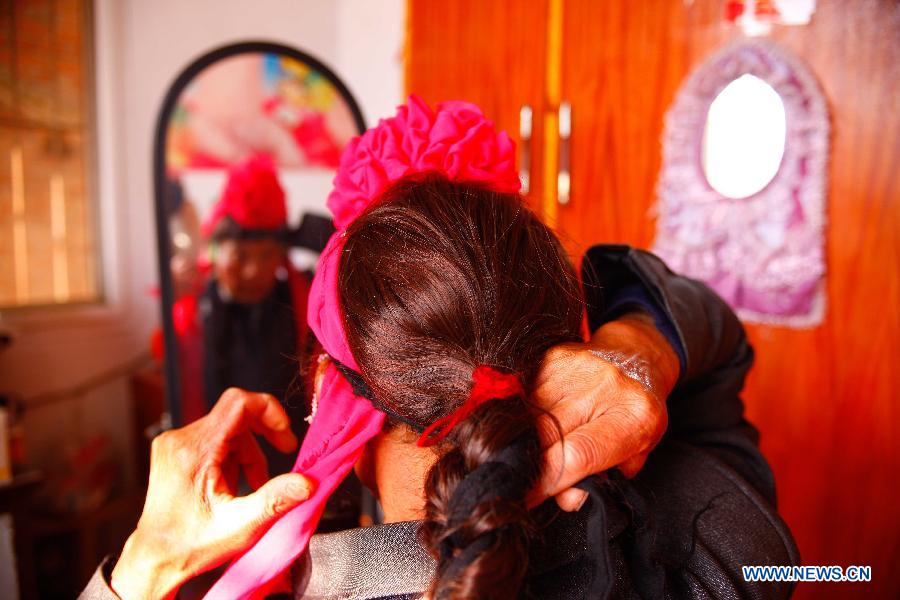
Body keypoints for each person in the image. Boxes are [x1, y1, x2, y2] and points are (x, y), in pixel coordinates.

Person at [82, 98, 797, 599]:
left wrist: (141, 571)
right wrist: (641, 347)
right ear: (575, 358)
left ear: (331, 390)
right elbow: (717, 336)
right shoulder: (727, 544)